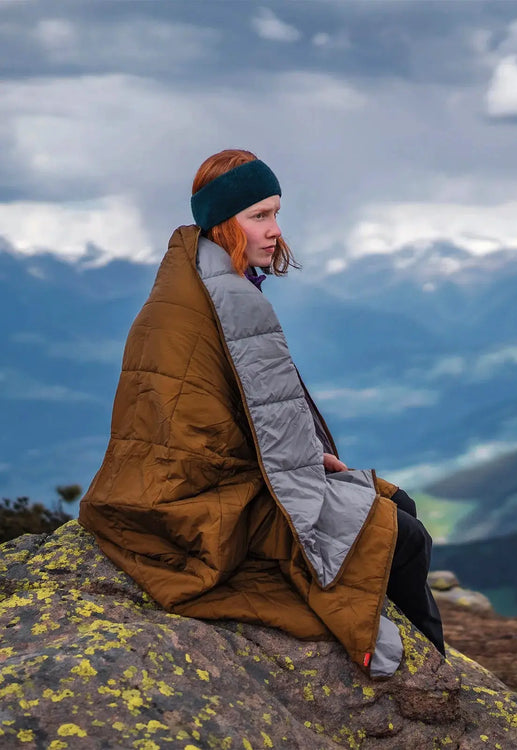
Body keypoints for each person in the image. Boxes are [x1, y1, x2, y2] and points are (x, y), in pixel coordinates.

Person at [79, 148, 444, 679]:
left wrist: (309, 459)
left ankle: (434, 665)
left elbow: (244, 414)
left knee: (395, 505)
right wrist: (302, 471)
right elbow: (223, 432)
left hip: (202, 480)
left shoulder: (193, 283)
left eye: (276, 212)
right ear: (224, 223)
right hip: (203, 503)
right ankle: (434, 671)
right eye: (259, 216)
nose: (274, 230)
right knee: (403, 535)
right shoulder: (229, 299)